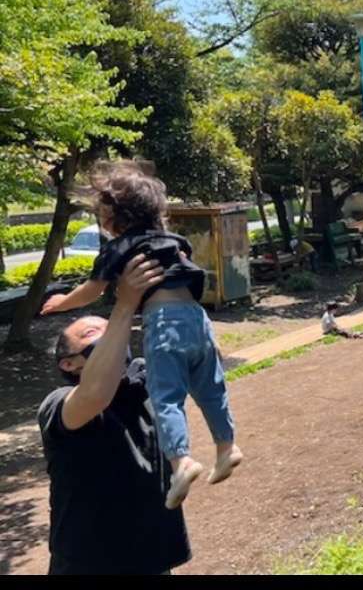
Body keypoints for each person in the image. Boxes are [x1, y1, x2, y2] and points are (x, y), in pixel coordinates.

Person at [41, 167, 241, 509]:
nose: (101, 219)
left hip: (164, 322)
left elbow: (93, 290)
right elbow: (191, 279)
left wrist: (62, 302)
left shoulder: (121, 247)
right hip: (198, 319)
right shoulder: (176, 242)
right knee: (211, 389)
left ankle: (181, 462)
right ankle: (226, 447)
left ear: (117, 214)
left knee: (166, 397)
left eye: (102, 212)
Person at [40, 254, 192, 574]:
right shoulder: (59, 404)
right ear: (69, 363)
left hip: (151, 558)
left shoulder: (145, 381)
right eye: (91, 334)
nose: (109, 334)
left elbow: (200, 357)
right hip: (89, 564)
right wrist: (124, 305)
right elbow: (96, 392)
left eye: (110, 329)